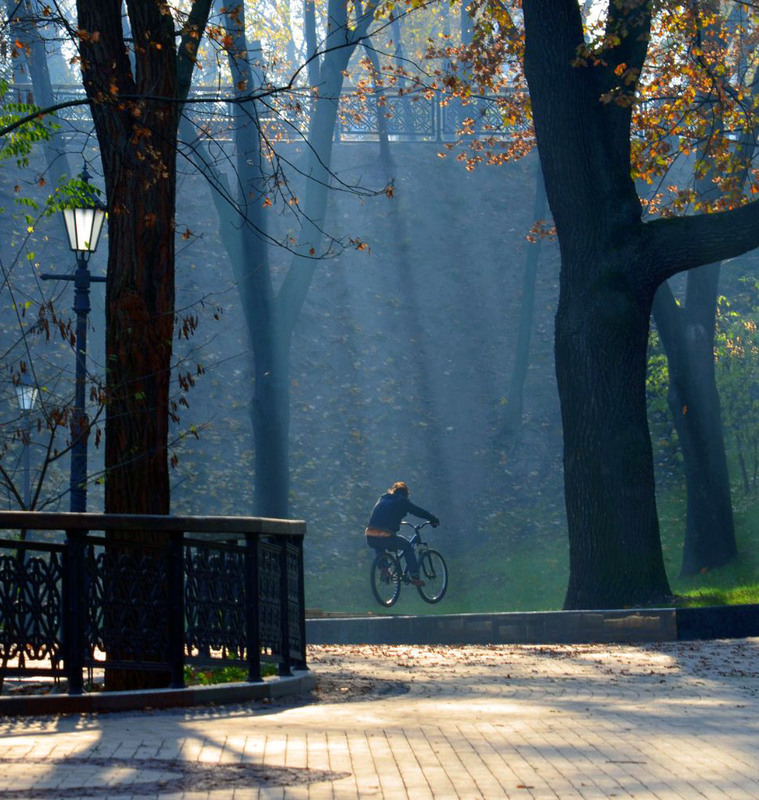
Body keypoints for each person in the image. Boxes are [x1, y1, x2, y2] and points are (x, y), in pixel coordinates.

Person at [365, 481, 439, 586]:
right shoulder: (402, 501)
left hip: (369, 534)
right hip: (386, 535)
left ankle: (384, 568)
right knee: (408, 547)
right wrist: (433, 519)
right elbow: (418, 511)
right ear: (406, 494)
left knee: (378, 543)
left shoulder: (383, 498)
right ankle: (415, 576)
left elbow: (383, 514)